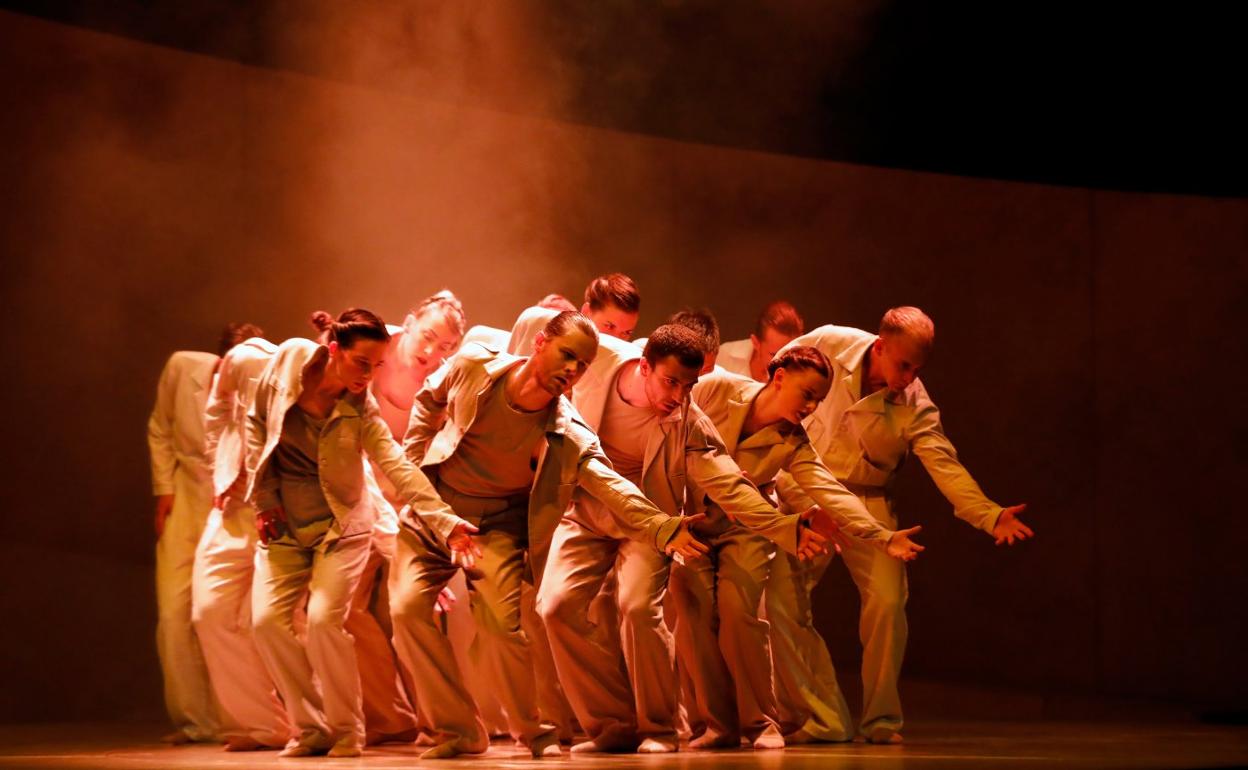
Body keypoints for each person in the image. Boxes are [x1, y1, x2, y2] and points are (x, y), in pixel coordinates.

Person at [389, 311, 706, 760]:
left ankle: (533, 733)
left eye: (583, 363)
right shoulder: (475, 365)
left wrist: (661, 525)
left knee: (502, 628)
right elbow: (429, 397)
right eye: (568, 355)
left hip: (494, 527)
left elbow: (609, 483)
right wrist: (414, 462)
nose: (573, 370)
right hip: (433, 510)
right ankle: (457, 730)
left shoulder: (567, 429)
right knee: (404, 610)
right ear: (539, 344)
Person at [536, 325, 832, 753]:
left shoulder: (690, 421)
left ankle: (657, 728)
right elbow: (542, 341)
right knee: (555, 606)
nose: (678, 395)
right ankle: (611, 725)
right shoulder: (599, 365)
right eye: (670, 382)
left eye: (689, 385)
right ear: (643, 365)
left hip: (653, 524)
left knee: (637, 607)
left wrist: (785, 527)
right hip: (585, 515)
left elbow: (728, 483)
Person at [769, 306, 1033, 744]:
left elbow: (944, 464)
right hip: (804, 493)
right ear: (880, 346)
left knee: (888, 604)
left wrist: (988, 514)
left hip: (869, 503)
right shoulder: (829, 342)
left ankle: (882, 720)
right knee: (780, 602)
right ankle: (821, 717)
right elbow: (777, 377)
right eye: (903, 365)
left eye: (917, 369)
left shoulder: (914, 404)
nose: (908, 377)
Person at [675, 347, 923, 749]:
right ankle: (718, 725)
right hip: (692, 518)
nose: (810, 407)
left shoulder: (794, 440)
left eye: (818, 400)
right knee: (694, 613)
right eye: (806, 394)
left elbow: (830, 491)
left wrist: (881, 535)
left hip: (752, 527)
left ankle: (760, 723)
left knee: (741, 614)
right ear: (778, 378)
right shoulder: (718, 389)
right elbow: (674, 424)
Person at [246, 308, 462, 758]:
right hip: (285, 521)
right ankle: (310, 728)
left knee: (326, 620)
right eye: (361, 363)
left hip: (341, 525)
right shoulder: (288, 363)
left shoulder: (360, 406)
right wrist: (263, 499)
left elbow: (397, 466)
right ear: (333, 351)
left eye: (376, 366)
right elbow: (255, 422)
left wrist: (444, 522)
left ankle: (346, 730)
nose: (368, 375)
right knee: (266, 622)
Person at [356, 291, 467, 745]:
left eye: (445, 348)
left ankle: (438, 719)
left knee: (421, 605)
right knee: (344, 609)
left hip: (413, 497)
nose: (432, 353)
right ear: (407, 323)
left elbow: (439, 455)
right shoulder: (372, 358)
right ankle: (388, 715)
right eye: (427, 338)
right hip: (359, 491)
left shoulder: (442, 381)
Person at [148, 321, 261, 744]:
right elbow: (161, 426)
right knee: (174, 614)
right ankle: (194, 721)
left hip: (235, 507)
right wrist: (163, 488)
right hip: (187, 497)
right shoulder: (182, 368)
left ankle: (234, 715)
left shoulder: (259, 392)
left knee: (222, 613)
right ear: (220, 360)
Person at [193, 333, 290, 751]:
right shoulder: (244, 360)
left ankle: (319, 724)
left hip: (284, 510)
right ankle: (263, 724)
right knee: (210, 611)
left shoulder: (307, 378)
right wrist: (220, 466)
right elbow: (217, 411)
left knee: (289, 625)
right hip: (234, 506)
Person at [509, 273, 642, 356]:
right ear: (586, 312)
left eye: (626, 333)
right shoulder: (546, 332)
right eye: (609, 326)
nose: (617, 341)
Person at [718, 300, 804, 382]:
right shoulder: (724, 357)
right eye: (775, 355)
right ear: (756, 343)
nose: (784, 365)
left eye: (790, 355)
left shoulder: (804, 374)